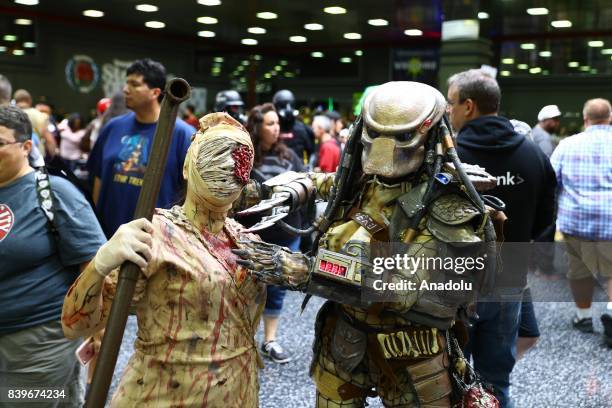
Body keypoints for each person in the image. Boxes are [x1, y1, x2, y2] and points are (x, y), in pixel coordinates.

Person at [234, 81, 501, 407]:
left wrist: (307, 271)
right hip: (345, 335)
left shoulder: (450, 204)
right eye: (375, 135)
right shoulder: (363, 181)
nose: (384, 151)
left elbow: (402, 288)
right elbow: (327, 182)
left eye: (401, 137)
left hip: (412, 351)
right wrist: (271, 190)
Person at [62, 112, 265, 407]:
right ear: (186, 167)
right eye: (213, 156)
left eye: (239, 159)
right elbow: (74, 325)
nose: (226, 166)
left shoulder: (249, 241)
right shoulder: (155, 236)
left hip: (238, 391)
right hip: (165, 394)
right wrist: (100, 264)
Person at [448, 69, 556, 407]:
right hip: (509, 280)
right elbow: (546, 218)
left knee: (448, 380)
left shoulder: (446, 158)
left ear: (468, 106)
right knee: (496, 383)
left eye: (450, 103)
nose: (448, 111)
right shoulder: (533, 155)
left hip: (452, 285)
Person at [0, 105, 106, 408]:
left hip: (40, 343)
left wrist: (98, 329)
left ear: (26, 147)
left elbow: (95, 265)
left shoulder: (55, 192)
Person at [87, 58, 195, 237]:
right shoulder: (113, 127)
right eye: (126, 82)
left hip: (156, 240)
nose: (125, 89)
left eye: (134, 84)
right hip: (107, 234)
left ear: (155, 92)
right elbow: (98, 179)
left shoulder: (182, 134)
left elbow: (189, 192)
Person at [240, 102, 305, 364]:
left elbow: (307, 188)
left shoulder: (289, 156)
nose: (276, 128)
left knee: (278, 289)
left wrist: (306, 228)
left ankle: (270, 340)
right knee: (247, 285)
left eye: (277, 123)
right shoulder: (245, 157)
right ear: (256, 126)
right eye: (270, 123)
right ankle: (245, 340)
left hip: (287, 233)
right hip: (252, 234)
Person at [550, 98, 612, 346]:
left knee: (579, 269)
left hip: (576, 219)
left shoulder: (567, 144)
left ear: (586, 119)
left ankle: (583, 316)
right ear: (609, 118)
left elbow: (550, 180)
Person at [13, 88, 58, 158]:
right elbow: (49, 140)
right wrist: (54, 157)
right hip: (35, 157)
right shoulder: (41, 116)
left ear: (15, 101)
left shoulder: (8, 115)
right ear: (29, 100)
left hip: (14, 156)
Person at [273, 89, 314, 164]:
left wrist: (309, 166)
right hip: (276, 168)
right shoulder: (272, 128)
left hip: (298, 171)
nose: (288, 109)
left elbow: (312, 152)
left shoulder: (303, 129)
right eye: (283, 104)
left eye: (290, 104)